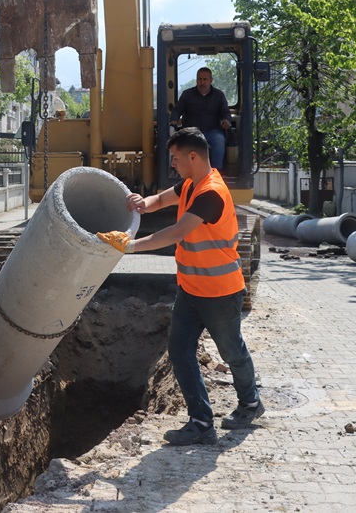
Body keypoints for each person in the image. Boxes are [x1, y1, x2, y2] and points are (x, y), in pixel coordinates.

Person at [97, 127, 264, 446]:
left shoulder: (211, 193)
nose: (172, 164)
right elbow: (163, 198)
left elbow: (177, 232)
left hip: (220, 292)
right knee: (179, 351)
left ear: (193, 157)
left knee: (231, 351)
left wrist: (129, 246)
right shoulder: (190, 183)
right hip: (191, 289)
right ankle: (201, 422)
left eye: (175, 158)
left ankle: (251, 403)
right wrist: (141, 203)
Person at [169, 66, 232, 171]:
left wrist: (226, 120)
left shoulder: (219, 95)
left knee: (219, 140)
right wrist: (173, 121)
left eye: (205, 79)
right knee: (184, 144)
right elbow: (177, 110)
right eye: (199, 79)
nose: (202, 82)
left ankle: (216, 173)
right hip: (191, 131)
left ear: (211, 80)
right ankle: (187, 173)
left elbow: (226, 112)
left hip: (213, 130)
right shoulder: (187, 94)